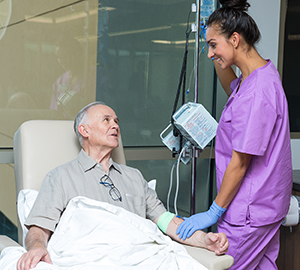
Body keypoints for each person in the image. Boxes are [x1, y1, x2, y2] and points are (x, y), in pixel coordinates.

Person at [17, 101, 229, 270]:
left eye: (116, 121)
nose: (115, 125)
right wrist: (36, 248)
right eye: (106, 119)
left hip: (138, 258)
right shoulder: (61, 176)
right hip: (90, 260)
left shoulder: (134, 177)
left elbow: (166, 222)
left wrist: (204, 240)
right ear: (84, 130)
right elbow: (39, 229)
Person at [176, 0, 293, 269]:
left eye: (213, 45)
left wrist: (213, 212)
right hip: (267, 206)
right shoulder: (258, 77)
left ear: (235, 39)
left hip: (248, 210)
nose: (209, 53)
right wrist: (218, 54)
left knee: (227, 265)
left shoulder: (257, 93)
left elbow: (239, 164)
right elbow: (233, 87)